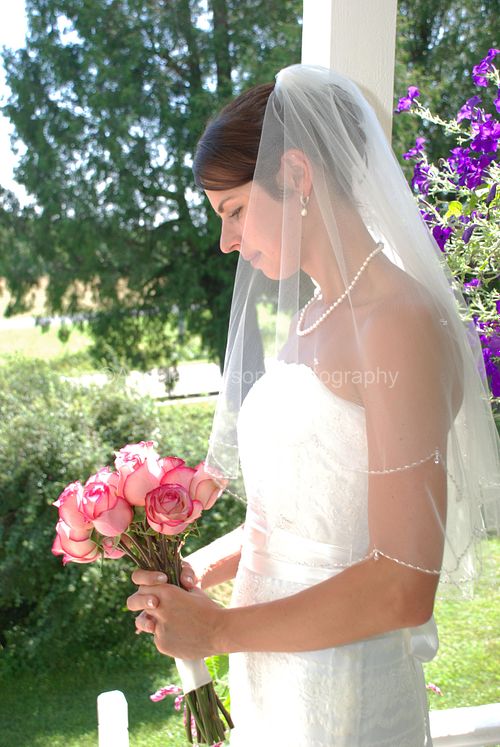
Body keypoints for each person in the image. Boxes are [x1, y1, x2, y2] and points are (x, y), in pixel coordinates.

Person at [127, 65, 500, 746]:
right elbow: (308, 515)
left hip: (345, 691)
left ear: (296, 175)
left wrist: (217, 630)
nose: (226, 242)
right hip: (273, 673)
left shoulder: (398, 322)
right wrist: (202, 568)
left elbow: (403, 583)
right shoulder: (311, 318)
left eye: (234, 210)